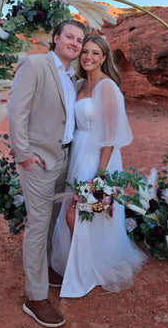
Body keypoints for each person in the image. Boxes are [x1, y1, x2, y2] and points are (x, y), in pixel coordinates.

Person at [51, 35, 147, 298]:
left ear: (104, 58)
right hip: (78, 153)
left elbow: (111, 135)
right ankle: (80, 263)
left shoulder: (108, 87)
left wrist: (101, 173)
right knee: (78, 212)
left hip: (98, 158)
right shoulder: (79, 84)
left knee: (80, 212)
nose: (89, 57)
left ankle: (90, 267)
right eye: (85, 52)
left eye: (95, 53)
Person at [7, 19, 87, 328]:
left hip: (63, 159)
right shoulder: (35, 64)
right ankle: (35, 297)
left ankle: (46, 271)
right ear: (56, 38)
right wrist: (24, 155)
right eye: (70, 36)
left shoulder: (72, 76)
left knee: (52, 221)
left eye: (79, 40)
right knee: (39, 225)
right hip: (38, 163)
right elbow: (17, 111)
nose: (75, 43)